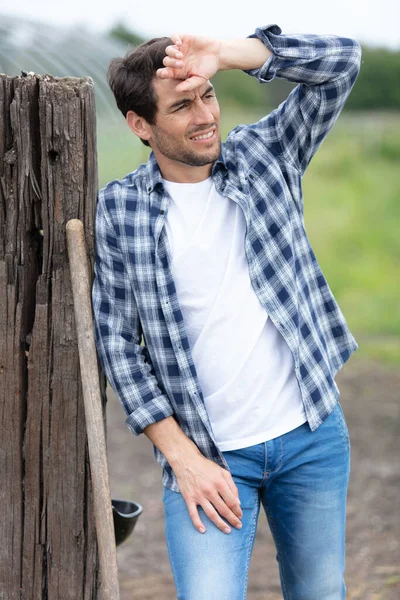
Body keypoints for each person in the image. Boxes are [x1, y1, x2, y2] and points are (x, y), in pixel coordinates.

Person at [92, 22, 362, 600]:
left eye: (206, 94)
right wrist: (184, 459)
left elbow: (342, 62)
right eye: (182, 105)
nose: (205, 115)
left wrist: (228, 54)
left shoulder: (265, 156)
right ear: (141, 124)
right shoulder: (120, 211)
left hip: (309, 436)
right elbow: (118, 344)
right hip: (207, 458)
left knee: (321, 592)